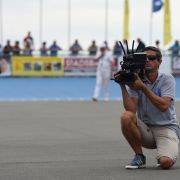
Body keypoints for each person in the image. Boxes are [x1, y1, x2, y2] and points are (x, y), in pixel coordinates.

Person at [114, 46, 180, 169]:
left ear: (160, 61)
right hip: (146, 130)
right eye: (145, 58)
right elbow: (131, 110)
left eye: (152, 58)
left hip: (166, 128)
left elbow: (164, 106)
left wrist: (143, 88)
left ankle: (165, 152)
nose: (148, 61)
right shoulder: (137, 79)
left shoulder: (167, 79)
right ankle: (139, 156)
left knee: (165, 163)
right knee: (126, 116)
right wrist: (123, 86)